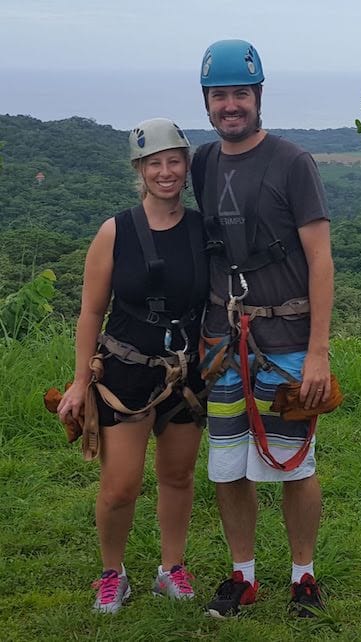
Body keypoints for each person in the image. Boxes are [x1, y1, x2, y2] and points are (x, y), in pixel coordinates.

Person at [191, 39, 334, 618]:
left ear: (258, 97)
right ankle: (242, 573)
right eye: (220, 95)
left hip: (288, 341)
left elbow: (320, 258)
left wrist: (319, 351)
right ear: (206, 103)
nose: (231, 105)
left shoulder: (292, 163)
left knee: (296, 461)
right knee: (228, 464)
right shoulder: (200, 163)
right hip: (223, 341)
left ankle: (303, 575)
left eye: (240, 95)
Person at [57, 118, 208, 614]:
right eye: (153, 164)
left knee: (178, 475)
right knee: (121, 485)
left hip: (184, 371)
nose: (165, 172)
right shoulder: (115, 231)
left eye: (173, 161)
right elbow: (91, 311)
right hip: (124, 370)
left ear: (186, 167)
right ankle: (112, 572)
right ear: (139, 171)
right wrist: (80, 383)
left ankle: (171, 567)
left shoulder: (200, 231)